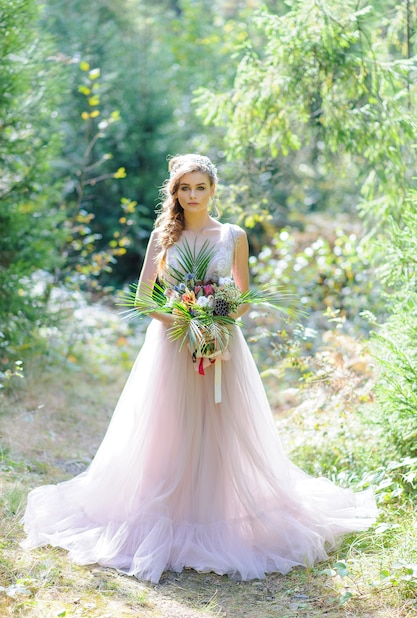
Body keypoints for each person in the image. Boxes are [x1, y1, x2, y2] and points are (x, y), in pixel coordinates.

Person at [21, 153, 377, 584]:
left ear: (213, 190)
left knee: (223, 428)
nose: (192, 195)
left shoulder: (233, 235)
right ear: (175, 192)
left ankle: (221, 514)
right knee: (168, 427)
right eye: (184, 188)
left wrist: (217, 326)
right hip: (171, 347)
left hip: (223, 346)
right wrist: (188, 325)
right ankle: (164, 513)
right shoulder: (162, 237)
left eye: (200, 187)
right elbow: (143, 299)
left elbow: (244, 295)